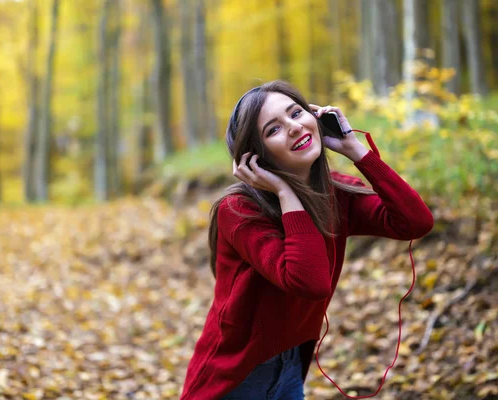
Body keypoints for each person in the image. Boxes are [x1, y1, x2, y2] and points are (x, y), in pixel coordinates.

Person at [179, 80, 434, 400]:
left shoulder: (337, 192)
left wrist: (355, 150)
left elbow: (415, 222)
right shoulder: (240, 210)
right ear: (255, 157)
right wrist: (285, 193)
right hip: (235, 379)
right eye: (273, 130)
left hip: (292, 367)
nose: (294, 128)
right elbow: (309, 282)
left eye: (297, 113)